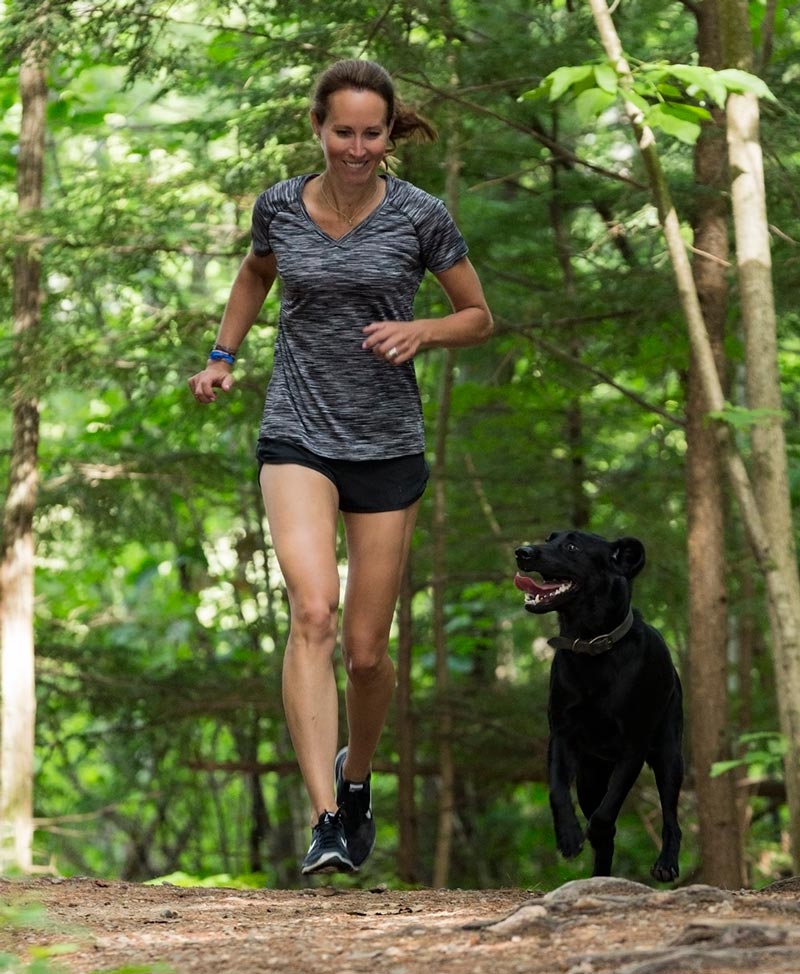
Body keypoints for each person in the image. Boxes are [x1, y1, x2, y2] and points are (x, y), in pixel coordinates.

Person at [188, 58, 492, 876]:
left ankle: (356, 783)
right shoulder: (280, 207)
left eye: (372, 132)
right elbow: (257, 272)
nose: (356, 148)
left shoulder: (421, 216)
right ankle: (325, 816)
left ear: (391, 133)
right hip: (298, 431)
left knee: (364, 651)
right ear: (318, 128)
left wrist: (421, 330)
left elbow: (479, 317)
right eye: (342, 131)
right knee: (314, 613)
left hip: (387, 443)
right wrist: (224, 355)